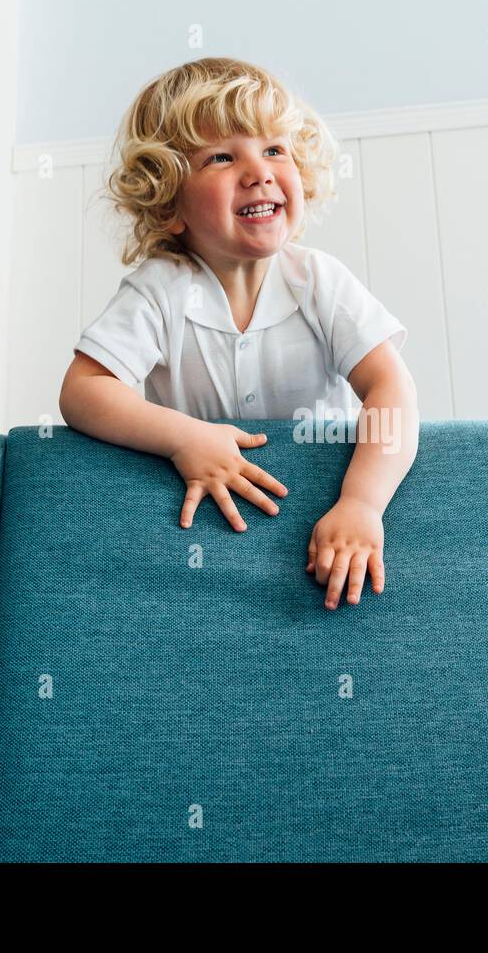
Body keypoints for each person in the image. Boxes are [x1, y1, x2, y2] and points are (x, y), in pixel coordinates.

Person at [59, 57, 420, 611]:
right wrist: (185, 437)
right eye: (222, 157)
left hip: (319, 510)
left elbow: (390, 390)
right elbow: (84, 391)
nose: (260, 171)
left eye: (274, 149)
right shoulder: (159, 290)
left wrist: (362, 504)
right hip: (207, 529)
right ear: (170, 203)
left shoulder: (318, 280)